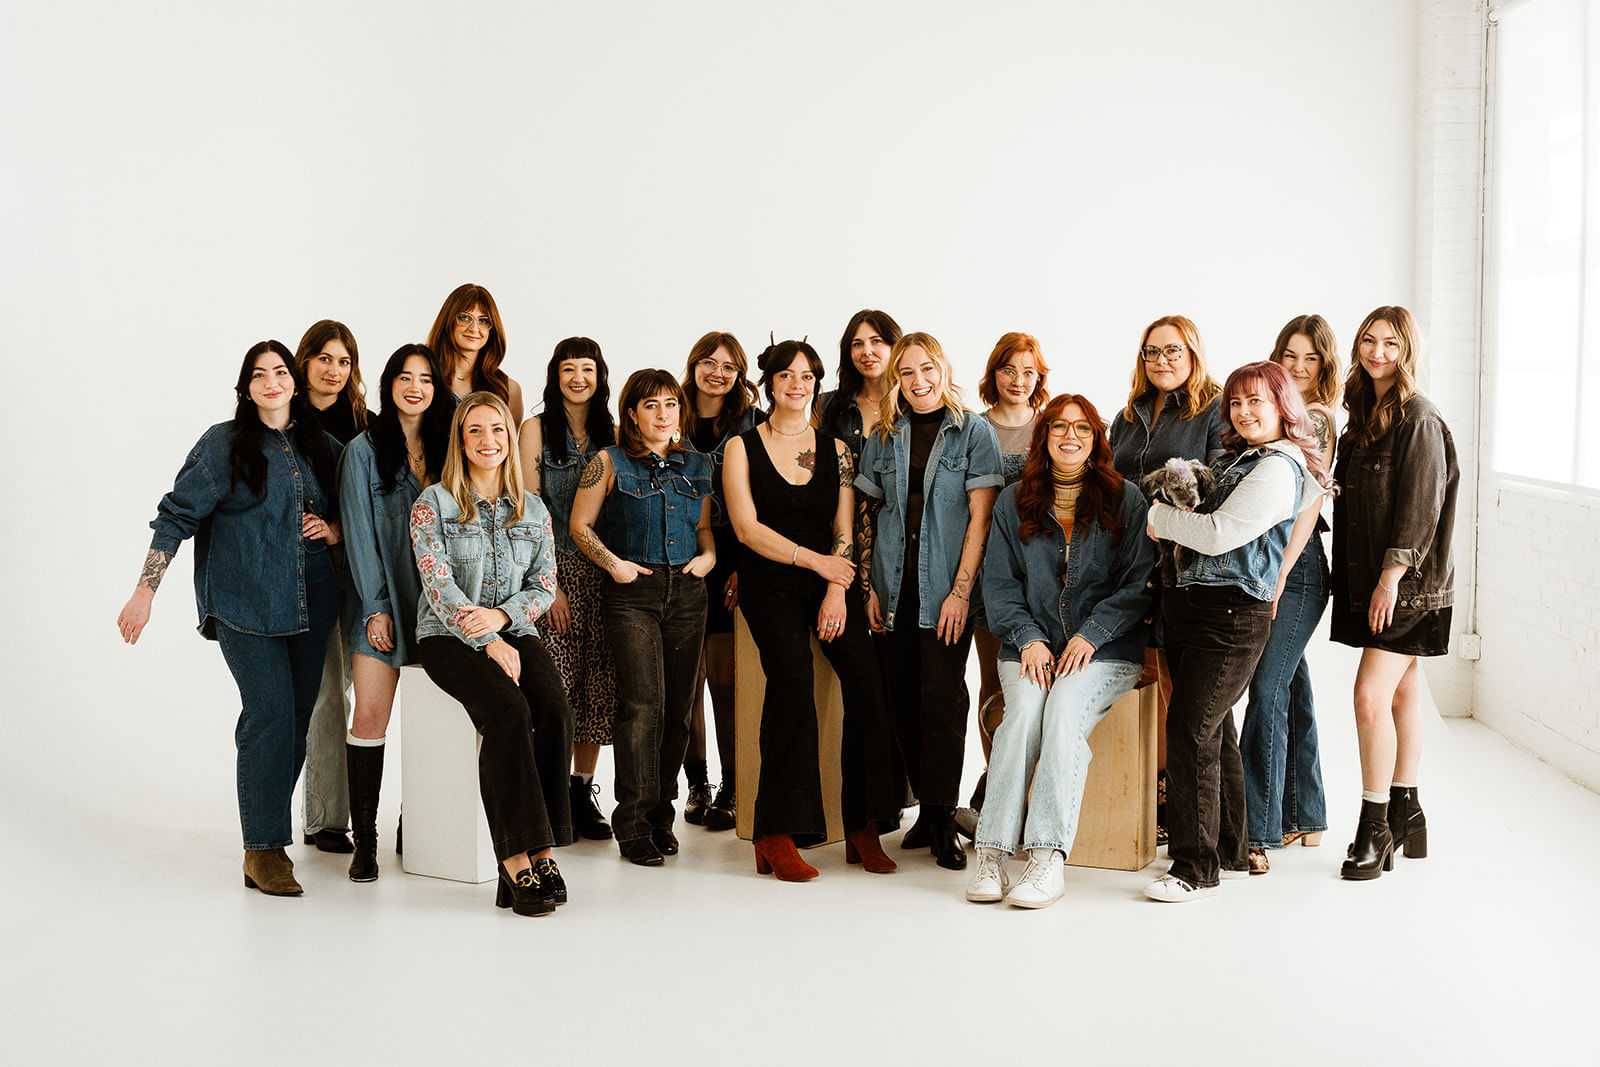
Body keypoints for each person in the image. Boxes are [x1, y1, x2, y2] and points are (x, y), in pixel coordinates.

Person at [116, 340, 342, 897]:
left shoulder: (323, 445)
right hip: (244, 602)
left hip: (313, 600)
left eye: (280, 372)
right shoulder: (223, 444)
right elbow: (176, 515)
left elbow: (354, 506)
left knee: (294, 725)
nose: (272, 381)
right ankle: (263, 849)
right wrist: (145, 591)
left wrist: (333, 529)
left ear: (294, 381)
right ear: (246, 387)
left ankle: (264, 834)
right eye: (259, 374)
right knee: (268, 713)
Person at [1141, 361, 1330, 902]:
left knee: (1190, 731)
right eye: (1237, 403)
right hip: (1195, 607)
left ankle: (1193, 866)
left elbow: (1222, 535)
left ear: (1282, 408)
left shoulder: (1278, 467)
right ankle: (1229, 846)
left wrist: (1160, 519)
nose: (1245, 412)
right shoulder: (1247, 458)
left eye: (1257, 402)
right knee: (1215, 728)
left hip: (1230, 616)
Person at [722, 339, 900, 881]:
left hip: (828, 582)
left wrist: (832, 587)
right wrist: (816, 564)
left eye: (806, 376)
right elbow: (748, 530)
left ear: (816, 383)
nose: (797, 384)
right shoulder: (741, 447)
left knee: (868, 683)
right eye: (786, 375)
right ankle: (776, 832)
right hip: (768, 582)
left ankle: (863, 826)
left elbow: (843, 528)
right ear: (770, 383)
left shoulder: (838, 451)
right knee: (792, 684)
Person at [968, 394, 1154, 908]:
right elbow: (999, 586)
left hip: (1105, 650)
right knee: (1024, 714)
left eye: (1082, 429)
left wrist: (1091, 633)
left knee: (1065, 710)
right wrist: (1028, 637)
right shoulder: (1012, 502)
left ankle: (1047, 858)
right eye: (1059, 428)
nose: (1070, 436)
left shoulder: (1126, 501)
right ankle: (992, 852)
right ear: (1044, 439)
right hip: (1028, 648)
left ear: (1096, 440)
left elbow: (1139, 584)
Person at [410, 391, 572, 916]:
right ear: (460, 439)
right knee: (507, 713)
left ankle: (545, 849)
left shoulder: (533, 508)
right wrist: (487, 638)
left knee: (553, 707)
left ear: (509, 437)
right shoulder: (432, 504)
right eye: (475, 430)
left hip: (512, 625)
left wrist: (503, 621)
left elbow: (545, 582)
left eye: (498, 430)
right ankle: (515, 859)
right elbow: (438, 587)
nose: (488, 441)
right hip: (447, 635)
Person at [855, 332, 1003, 870]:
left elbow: (980, 517)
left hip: (945, 590)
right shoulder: (885, 433)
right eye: (907, 373)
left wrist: (961, 593)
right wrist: (869, 583)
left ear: (942, 369)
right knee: (901, 702)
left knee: (942, 701)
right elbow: (868, 514)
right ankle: (926, 810)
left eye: (926, 370)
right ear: (896, 379)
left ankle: (942, 819)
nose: (918, 382)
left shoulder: (972, 432)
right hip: (893, 589)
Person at [1331, 306, 1459, 881]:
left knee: (1367, 699)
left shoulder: (1419, 419)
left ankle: (1375, 823)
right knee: (1405, 692)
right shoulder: (1361, 418)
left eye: (1390, 343)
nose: (1377, 351)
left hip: (1407, 590)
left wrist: (1389, 579)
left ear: (1407, 350)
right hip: (1373, 583)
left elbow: (1419, 512)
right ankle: (1408, 808)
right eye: (1368, 340)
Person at [568, 369, 716, 867]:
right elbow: (579, 526)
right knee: (642, 705)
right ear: (631, 413)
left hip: (688, 593)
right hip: (632, 594)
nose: (662, 414)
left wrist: (709, 558)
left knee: (678, 708)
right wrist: (616, 566)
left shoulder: (697, 465)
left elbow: (703, 528)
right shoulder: (608, 462)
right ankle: (630, 819)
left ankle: (661, 814)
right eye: (651, 405)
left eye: (670, 404)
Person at [1107, 314, 1226, 846]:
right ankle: (1155, 797)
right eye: (1152, 352)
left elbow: (1220, 486)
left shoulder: (1214, 410)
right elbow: (1109, 483)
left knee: (1190, 691)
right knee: (1150, 673)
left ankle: (1196, 809)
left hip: (1187, 565)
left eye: (1173, 351)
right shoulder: (1127, 417)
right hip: (1133, 561)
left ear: (1193, 353)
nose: (1162, 361)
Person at [337, 343, 454, 881]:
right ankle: (366, 839)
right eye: (405, 378)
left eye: (427, 379)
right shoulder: (362, 451)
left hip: (440, 607)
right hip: (382, 605)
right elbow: (360, 535)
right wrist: (375, 607)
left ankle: (420, 823)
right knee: (369, 716)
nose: (416, 388)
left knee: (436, 722)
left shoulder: (450, 448)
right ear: (388, 385)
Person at [1240, 315, 1341, 873]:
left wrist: (1276, 579)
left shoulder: (1316, 421)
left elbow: (1308, 509)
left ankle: (1258, 829)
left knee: (1266, 688)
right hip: (1283, 566)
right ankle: (1307, 812)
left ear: (1325, 367)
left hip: (1295, 570)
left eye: (1311, 360)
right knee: (1292, 686)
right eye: (1291, 356)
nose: (1299, 368)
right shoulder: (1280, 415)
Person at [516, 337, 619, 842]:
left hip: (602, 574)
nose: (578, 378)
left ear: (600, 375)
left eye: (588, 369)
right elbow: (529, 508)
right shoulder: (534, 429)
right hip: (550, 572)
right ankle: (548, 793)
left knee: (596, 684)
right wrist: (549, 583)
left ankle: (583, 790)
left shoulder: (614, 435)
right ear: (554, 375)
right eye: (568, 369)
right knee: (554, 687)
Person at [958, 331, 1050, 838]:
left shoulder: (1051, 427)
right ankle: (999, 794)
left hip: (1040, 579)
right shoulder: (973, 429)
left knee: (1038, 690)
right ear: (993, 374)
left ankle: (1029, 796)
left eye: (1028, 372)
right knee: (995, 688)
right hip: (986, 578)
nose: (1018, 381)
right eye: (1008, 370)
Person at [679, 331, 762, 832]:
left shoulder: (751, 424)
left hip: (734, 556)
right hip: (680, 557)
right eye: (709, 362)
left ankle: (734, 785)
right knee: (687, 681)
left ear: (739, 375)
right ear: (693, 365)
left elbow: (761, 500)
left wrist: (744, 565)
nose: (717, 372)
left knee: (727, 679)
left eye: (728, 366)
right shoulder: (670, 413)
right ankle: (697, 784)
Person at [292, 318, 367, 855]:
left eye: (344, 362)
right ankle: (324, 818)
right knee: (322, 696)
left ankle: (338, 817)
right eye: (325, 359)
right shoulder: (280, 418)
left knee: (345, 693)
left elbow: (378, 497)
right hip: (296, 577)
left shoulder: (365, 423)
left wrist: (340, 529)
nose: (334, 371)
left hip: (355, 573)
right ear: (305, 361)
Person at [426, 283, 525, 424]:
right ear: (448, 320)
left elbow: (507, 445)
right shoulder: (424, 378)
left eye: (484, 321)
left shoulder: (509, 389)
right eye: (464, 317)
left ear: (492, 329)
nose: (474, 328)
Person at [817, 309, 903, 461]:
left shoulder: (912, 404)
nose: (867, 351)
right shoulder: (825, 404)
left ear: (894, 346)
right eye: (857, 344)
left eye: (876, 341)